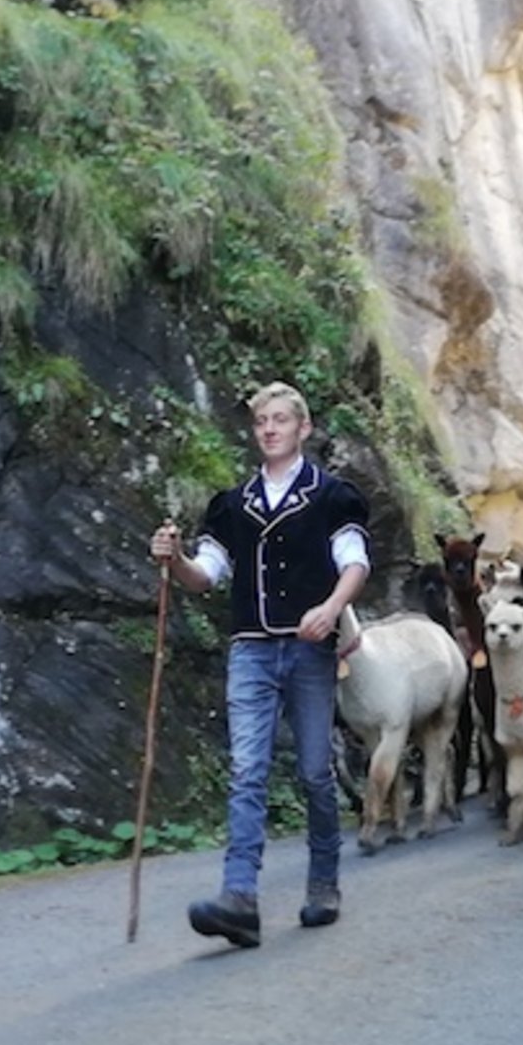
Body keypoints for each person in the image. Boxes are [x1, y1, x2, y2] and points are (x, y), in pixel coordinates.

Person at [150, 382, 370, 949]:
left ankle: (324, 881)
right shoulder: (233, 505)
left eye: (280, 420)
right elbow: (206, 576)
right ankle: (239, 897)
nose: (269, 429)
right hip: (249, 646)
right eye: (260, 422)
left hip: (309, 648)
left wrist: (330, 607)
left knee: (315, 771)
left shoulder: (332, 496)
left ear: (304, 428)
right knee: (248, 770)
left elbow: (355, 562)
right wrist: (175, 561)